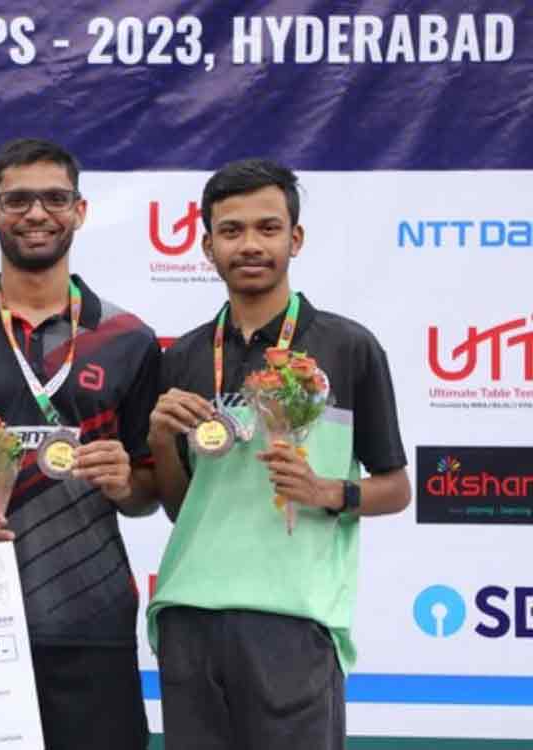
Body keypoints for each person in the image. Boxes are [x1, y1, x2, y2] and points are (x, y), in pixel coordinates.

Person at [146, 158, 410, 749]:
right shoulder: (183, 356)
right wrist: (161, 440)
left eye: (267, 228)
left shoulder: (349, 347)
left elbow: (397, 488)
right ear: (206, 244)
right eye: (232, 230)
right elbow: (180, 507)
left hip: (292, 620)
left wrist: (328, 492)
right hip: (190, 614)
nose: (250, 245)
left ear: (295, 239)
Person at [0, 138, 160, 750]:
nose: (37, 214)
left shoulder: (128, 337)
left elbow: (148, 491)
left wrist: (127, 482)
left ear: (80, 211)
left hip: (91, 614)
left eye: (55, 198)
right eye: (18, 200)